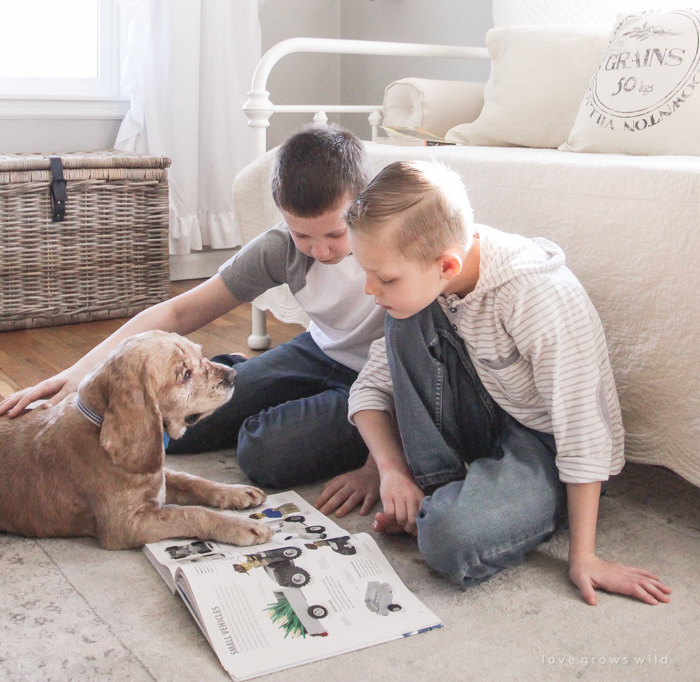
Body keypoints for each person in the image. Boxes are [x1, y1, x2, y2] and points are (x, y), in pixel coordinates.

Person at [0, 126, 383, 514]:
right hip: (317, 350)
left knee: (263, 451)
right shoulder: (280, 248)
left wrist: (377, 469)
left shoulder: (396, 248)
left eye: (335, 233)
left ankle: (277, 394)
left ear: (363, 204)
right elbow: (179, 311)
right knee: (169, 428)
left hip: (381, 377)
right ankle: (238, 374)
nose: (319, 250)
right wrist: (81, 371)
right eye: (302, 235)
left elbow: (416, 369)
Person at [343, 160, 671, 606]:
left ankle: (451, 507)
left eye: (383, 278)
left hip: (548, 441)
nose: (368, 290)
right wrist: (389, 471)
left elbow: (584, 429)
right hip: (491, 405)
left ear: (446, 265)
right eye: (365, 272)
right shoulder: (424, 286)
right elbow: (373, 386)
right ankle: (437, 489)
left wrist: (585, 557)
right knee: (404, 319)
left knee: (446, 539)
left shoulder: (535, 295)